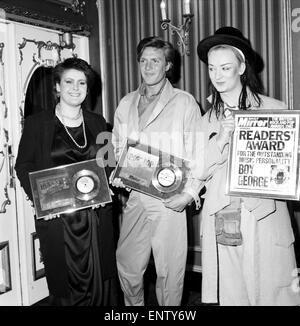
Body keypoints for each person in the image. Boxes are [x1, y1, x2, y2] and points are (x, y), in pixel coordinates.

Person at [196, 26, 300, 305]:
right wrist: (221, 139)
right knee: (233, 297)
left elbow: (290, 170)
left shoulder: (275, 109)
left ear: (242, 66)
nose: (217, 75)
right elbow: (197, 171)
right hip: (222, 218)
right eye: (212, 68)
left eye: (225, 67)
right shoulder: (205, 119)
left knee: (274, 293)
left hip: (263, 217)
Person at [15, 57, 118, 306]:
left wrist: (108, 185)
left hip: (95, 218)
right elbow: (23, 165)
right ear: (58, 86)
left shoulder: (98, 122)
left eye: (82, 82)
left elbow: (110, 163)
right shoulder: (37, 123)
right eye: (69, 81)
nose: (75, 88)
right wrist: (41, 202)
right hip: (58, 218)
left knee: (100, 284)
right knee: (66, 288)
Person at [111, 36, 202, 306]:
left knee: (169, 270)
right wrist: (122, 171)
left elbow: (198, 152)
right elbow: (117, 142)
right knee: (126, 261)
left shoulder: (185, 102)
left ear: (168, 66)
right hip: (135, 195)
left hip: (168, 199)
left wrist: (189, 194)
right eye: (143, 60)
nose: (148, 66)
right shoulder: (126, 102)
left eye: (156, 61)